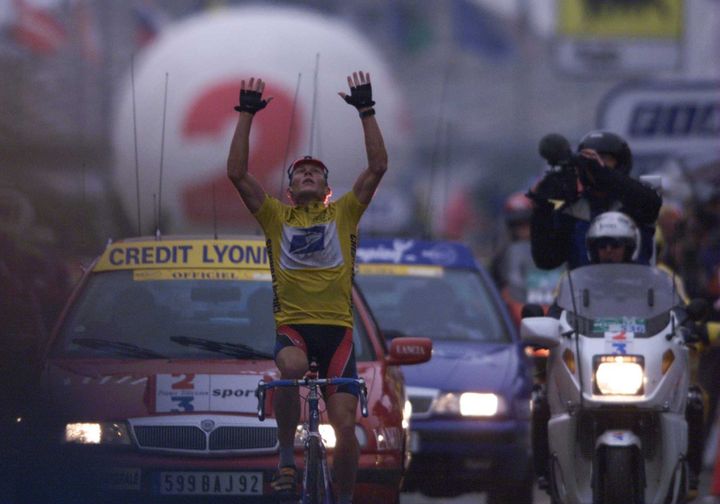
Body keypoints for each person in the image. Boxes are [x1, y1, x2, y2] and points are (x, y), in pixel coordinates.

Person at [226, 71, 387, 504]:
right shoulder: (276, 218)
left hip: (339, 333)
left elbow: (377, 168)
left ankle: (345, 496)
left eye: (317, 172)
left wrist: (365, 111)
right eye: (302, 172)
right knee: (291, 369)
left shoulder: (345, 214)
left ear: (328, 189)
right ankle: (284, 459)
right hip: (294, 326)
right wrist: (246, 114)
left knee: (346, 429)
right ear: (291, 189)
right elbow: (237, 173)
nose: (309, 173)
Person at [528, 130, 662, 271]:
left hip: (635, 289)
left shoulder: (635, 201)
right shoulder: (572, 210)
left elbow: (652, 204)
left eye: (603, 157)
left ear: (620, 163)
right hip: (585, 291)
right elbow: (546, 260)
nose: (596, 162)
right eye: (589, 159)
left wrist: (601, 173)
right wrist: (541, 211)